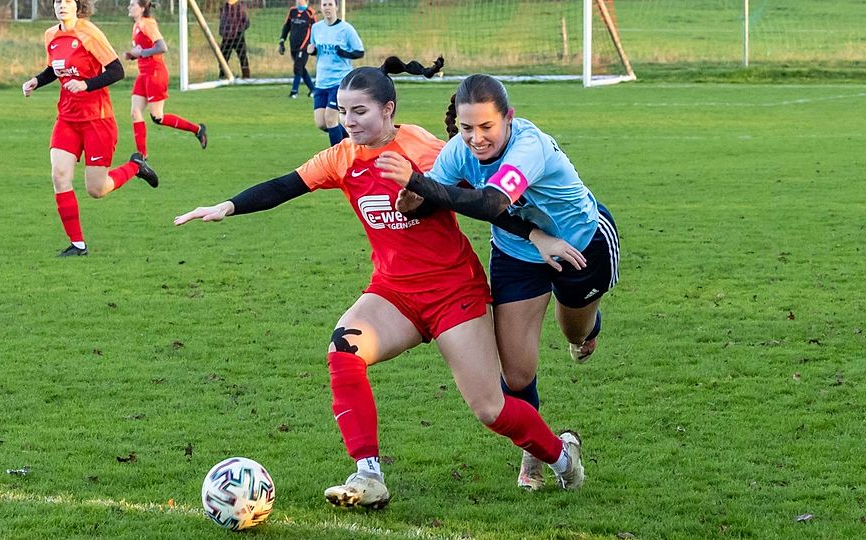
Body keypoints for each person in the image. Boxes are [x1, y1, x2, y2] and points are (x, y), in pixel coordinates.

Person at [174, 58, 586, 509]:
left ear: (388, 109)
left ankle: (562, 457)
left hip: (455, 293)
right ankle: (368, 473)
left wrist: (535, 233)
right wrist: (227, 207)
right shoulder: (342, 157)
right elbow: (285, 186)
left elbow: (487, 202)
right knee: (343, 349)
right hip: (394, 293)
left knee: (490, 408)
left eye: (360, 111)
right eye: (342, 111)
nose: (348, 121)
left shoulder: (424, 150)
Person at [377, 74, 620, 491]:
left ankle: (588, 329)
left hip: (582, 242)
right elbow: (433, 200)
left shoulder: (529, 146)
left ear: (508, 118)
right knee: (518, 374)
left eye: (487, 127)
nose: (476, 138)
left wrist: (417, 183)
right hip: (517, 253)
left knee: (574, 332)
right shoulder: (458, 151)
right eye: (468, 127)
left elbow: (491, 202)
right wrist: (413, 202)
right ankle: (537, 451)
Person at [22, 0, 159, 257]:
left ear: (78, 6)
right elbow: (55, 69)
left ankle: (135, 166)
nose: (62, 5)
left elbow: (117, 71)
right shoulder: (51, 35)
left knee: (97, 189)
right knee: (59, 175)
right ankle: (78, 245)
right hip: (67, 119)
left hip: (98, 120)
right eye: (57, 1)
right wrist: (36, 81)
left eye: (67, 1)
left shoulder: (90, 33)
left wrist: (86, 85)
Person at [124, 0, 208, 158]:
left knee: (157, 117)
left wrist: (140, 53)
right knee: (135, 112)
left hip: (155, 73)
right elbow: (144, 50)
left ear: (142, 8)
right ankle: (142, 156)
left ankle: (197, 129)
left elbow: (162, 47)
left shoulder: (147, 24)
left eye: (133, 4)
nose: (129, 7)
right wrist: (132, 55)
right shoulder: (136, 25)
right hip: (144, 74)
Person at [306, 0, 363, 146]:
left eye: (330, 4)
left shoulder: (346, 29)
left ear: (336, 7)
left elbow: (359, 52)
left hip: (340, 81)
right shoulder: (316, 28)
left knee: (331, 118)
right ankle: (350, 142)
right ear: (321, 7)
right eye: (324, 5)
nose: (327, 8)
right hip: (321, 81)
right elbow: (315, 49)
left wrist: (344, 53)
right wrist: (312, 51)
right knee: (321, 122)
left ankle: (338, 158)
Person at [278, 0, 316, 99]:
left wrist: (308, 45)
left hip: (304, 46)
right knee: (301, 68)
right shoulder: (292, 11)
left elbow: (314, 30)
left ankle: (294, 92)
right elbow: (286, 26)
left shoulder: (310, 12)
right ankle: (313, 89)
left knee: (298, 67)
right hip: (293, 45)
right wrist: (282, 40)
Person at [218, 0, 250, 79]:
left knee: (242, 57)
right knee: (222, 57)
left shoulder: (240, 7)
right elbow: (222, 21)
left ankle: (246, 76)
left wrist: (239, 30)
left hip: (238, 36)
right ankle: (223, 74)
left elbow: (246, 22)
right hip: (227, 37)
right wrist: (222, 31)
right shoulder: (225, 7)